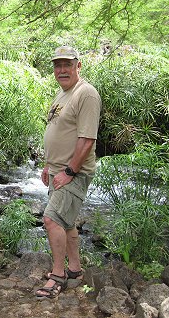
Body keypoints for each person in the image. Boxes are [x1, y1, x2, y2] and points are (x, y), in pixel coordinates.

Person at [36, 46, 101, 299]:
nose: (62, 70)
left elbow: (87, 139)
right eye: (57, 65)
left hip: (74, 172)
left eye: (67, 64)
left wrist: (70, 171)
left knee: (52, 219)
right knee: (67, 222)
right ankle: (74, 269)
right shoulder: (62, 94)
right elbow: (58, 131)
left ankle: (57, 275)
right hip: (58, 170)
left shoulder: (86, 94)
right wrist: (49, 166)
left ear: (78, 65)